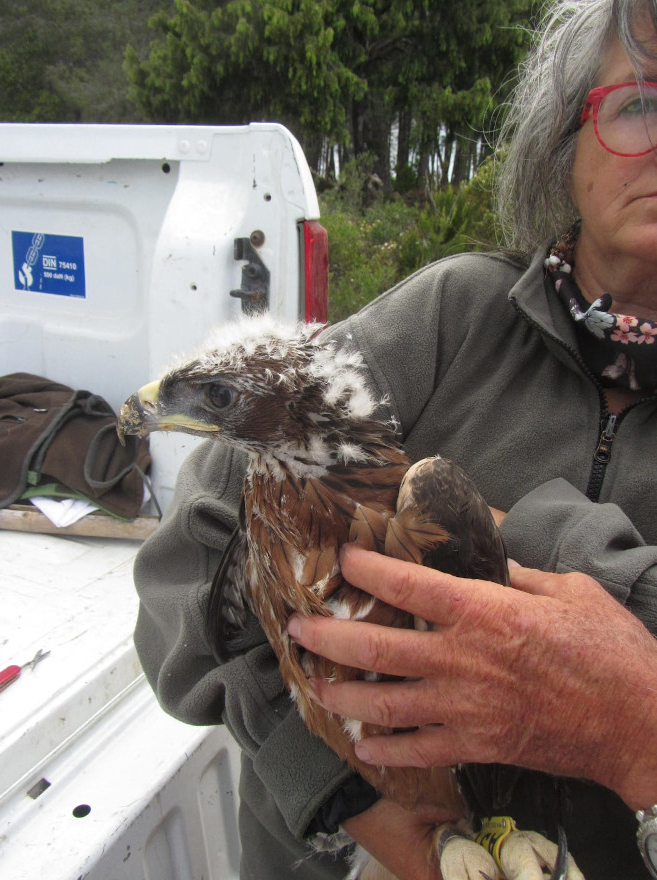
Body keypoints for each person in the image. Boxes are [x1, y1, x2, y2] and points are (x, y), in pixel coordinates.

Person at [132, 0, 657, 877]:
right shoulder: (452, 315)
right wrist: (344, 801)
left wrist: (637, 717)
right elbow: (188, 566)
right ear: (563, 148)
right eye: (640, 104)